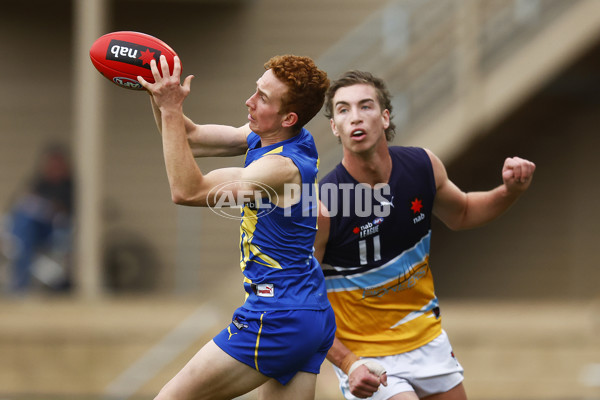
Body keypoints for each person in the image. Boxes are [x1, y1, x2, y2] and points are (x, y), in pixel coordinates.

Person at [314, 71, 536, 400]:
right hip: (368, 357)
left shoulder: (422, 165)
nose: (355, 117)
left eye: (366, 106)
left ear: (385, 117)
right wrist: (348, 362)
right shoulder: (326, 204)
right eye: (343, 110)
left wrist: (510, 191)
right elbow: (301, 299)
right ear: (335, 127)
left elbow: (461, 212)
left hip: (427, 339)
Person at [137, 54, 336, 400]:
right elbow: (192, 138)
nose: (249, 101)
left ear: (288, 117)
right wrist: (161, 99)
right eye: (255, 90)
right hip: (309, 310)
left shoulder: (281, 168)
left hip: (277, 316)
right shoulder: (277, 136)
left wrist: (170, 110)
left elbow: (187, 191)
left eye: (262, 98)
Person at [4, 144, 74, 293]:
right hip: (32, 230)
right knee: (24, 222)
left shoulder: (69, 186)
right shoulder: (39, 182)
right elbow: (18, 203)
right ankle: (17, 245)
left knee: (24, 231)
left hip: (54, 229)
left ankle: (19, 280)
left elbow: (65, 210)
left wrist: (47, 207)